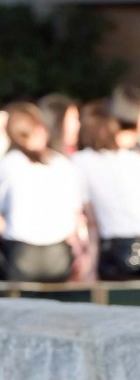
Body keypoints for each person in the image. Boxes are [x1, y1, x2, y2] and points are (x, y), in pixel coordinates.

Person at [71, 103, 140, 280]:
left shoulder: (80, 162)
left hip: (118, 252)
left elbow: (91, 221)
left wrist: (91, 265)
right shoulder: (137, 160)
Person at [0, 101, 83, 281]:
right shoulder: (62, 163)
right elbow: (75, 215)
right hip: (60, 257)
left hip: (20, 256)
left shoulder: (8, 164)